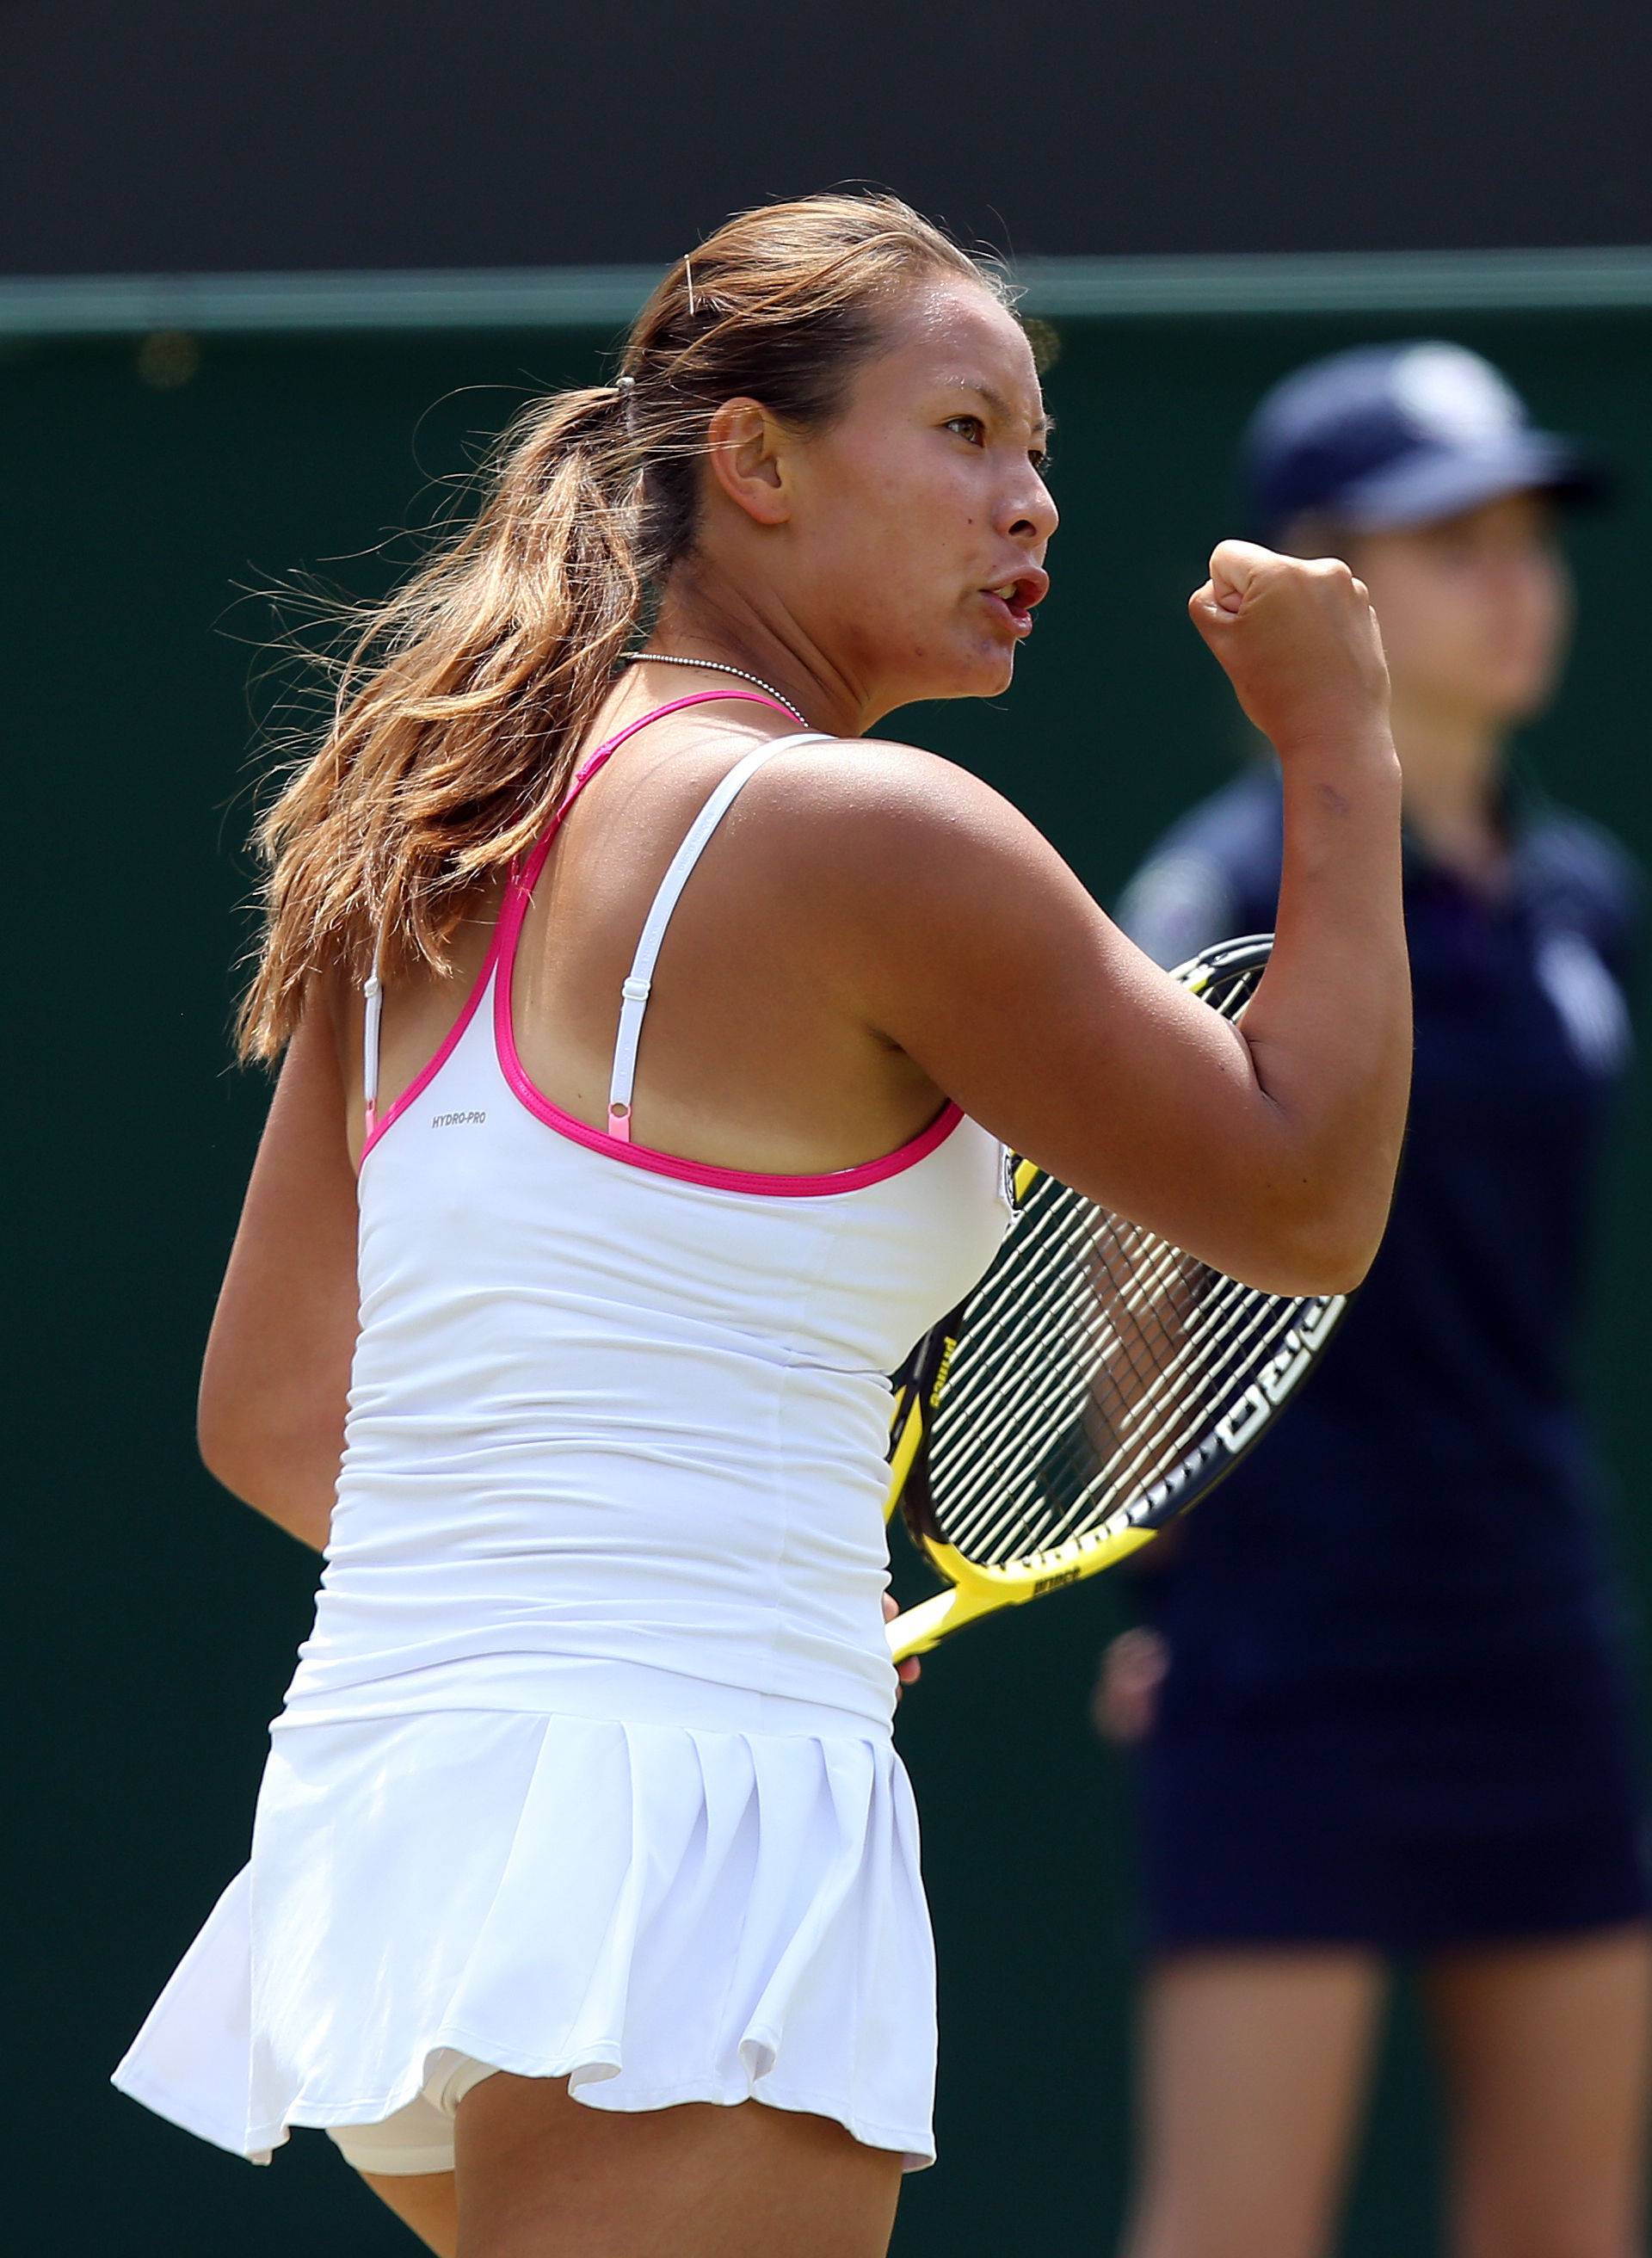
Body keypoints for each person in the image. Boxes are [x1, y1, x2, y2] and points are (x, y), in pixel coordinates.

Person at [110, 193, 1409, 2258]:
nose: (1034, 501)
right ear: (759, 461)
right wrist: (1345, 736)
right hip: (683, 1845)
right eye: (968, 431)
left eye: (1042, 445)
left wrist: (631, 1583)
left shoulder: (441, 824)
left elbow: (275, 1412)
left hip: (401, 1816)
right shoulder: (867, 832)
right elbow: (1305, 1195)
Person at [1101, 341, 1651, 2258]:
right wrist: (1168, 1568)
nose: (1519, 585)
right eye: (1454, 545)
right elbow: (1125, 1291)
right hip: (1285, 1655)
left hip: (1534, 1627)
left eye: (1530, 540)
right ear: (1317, 585)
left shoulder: (1585, 901)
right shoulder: (1219, 901)